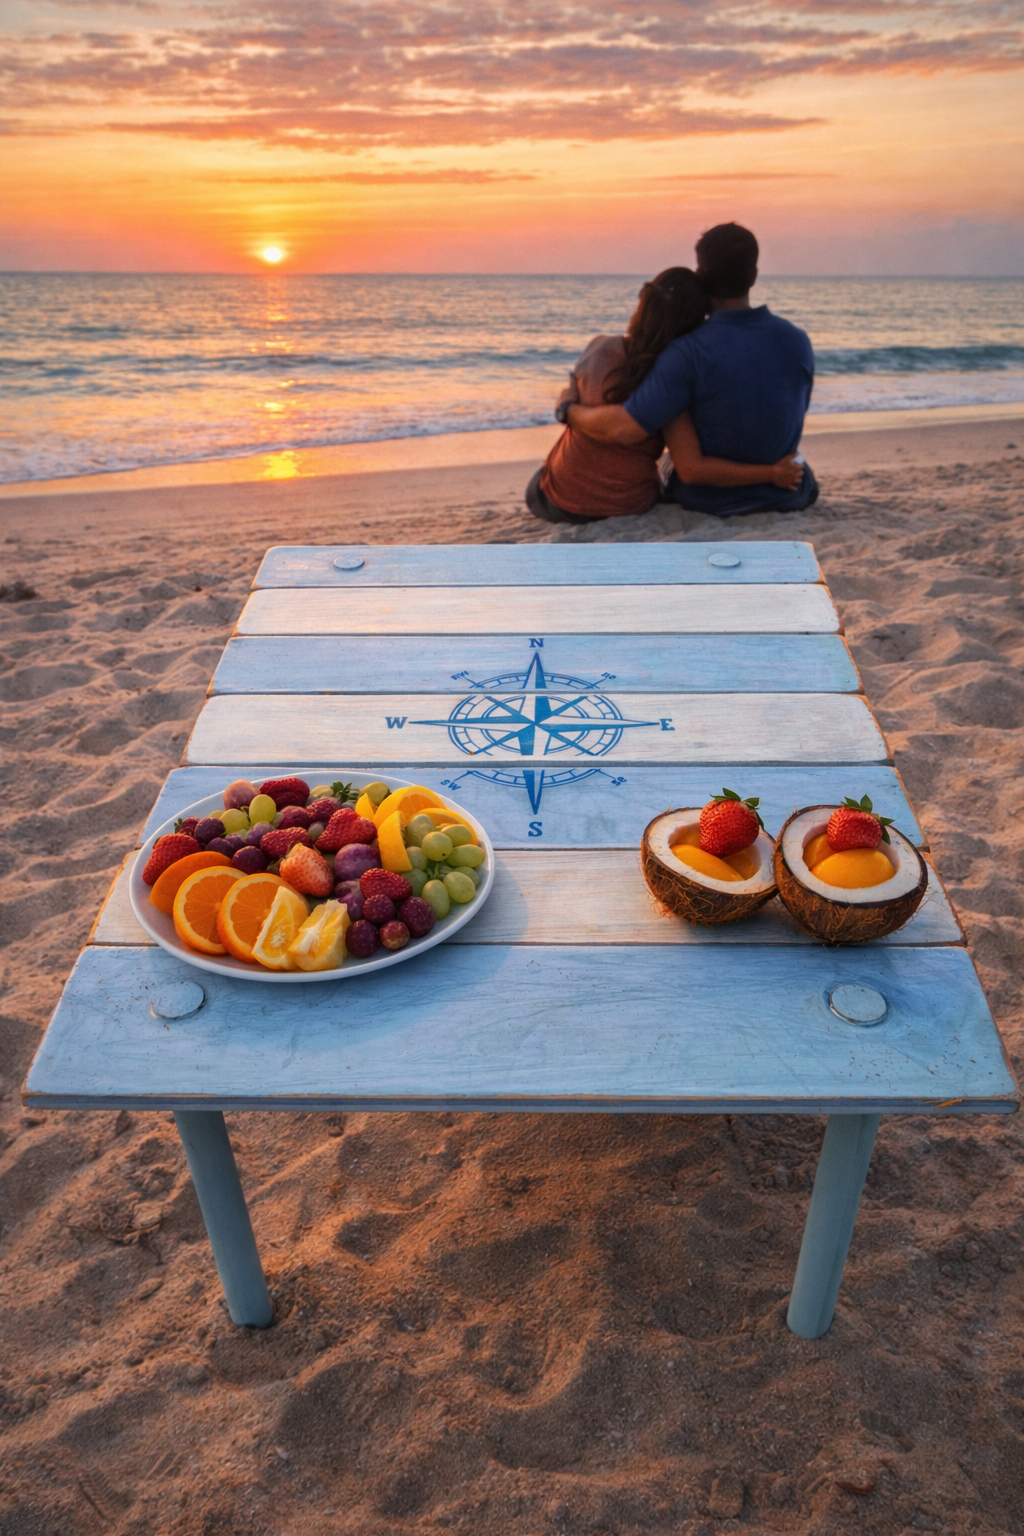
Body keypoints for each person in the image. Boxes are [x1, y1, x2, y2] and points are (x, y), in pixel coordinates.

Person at [557, 223, 817, 517]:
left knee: (670, 461)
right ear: (754, 276)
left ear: (701, 276)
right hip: (789, 492)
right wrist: (771, 472)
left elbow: (626, 428)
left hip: (712, 499)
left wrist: (568, 410)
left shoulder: (686, 352)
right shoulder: (798, 340)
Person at [525, 268, 709, 524]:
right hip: (629, 504)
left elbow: (574, 396)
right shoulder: (669, 378)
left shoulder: (598, 346)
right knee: (668, 467)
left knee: (540, 479)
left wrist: (566, 408)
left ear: (644, 306)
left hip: (560, 498)